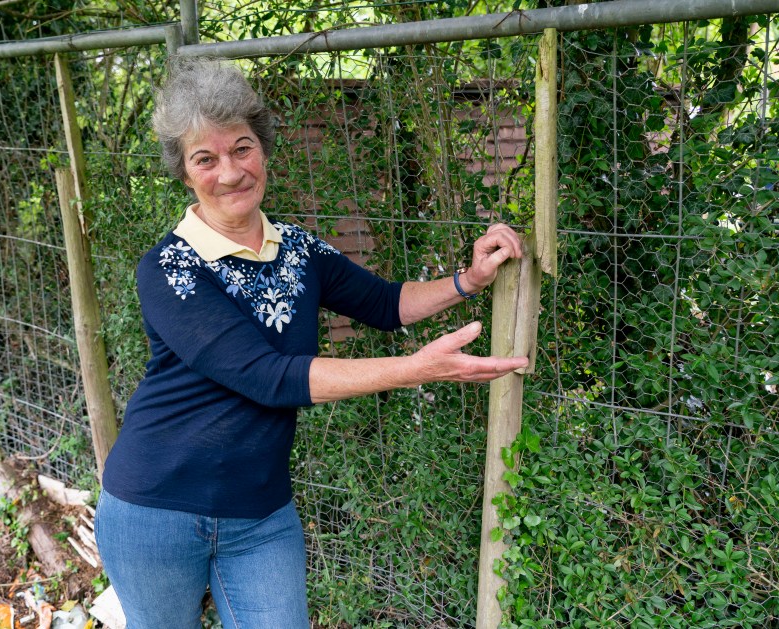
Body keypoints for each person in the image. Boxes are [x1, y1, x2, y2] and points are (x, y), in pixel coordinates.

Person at [94, 57, 529, 629]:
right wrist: (416, 369)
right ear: (184, 173)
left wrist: (467, 281)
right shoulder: (169, 269)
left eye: (242, 148)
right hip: (156, 511)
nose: (229, 173)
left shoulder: (298, 249)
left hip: (260, 514)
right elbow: (267, 377)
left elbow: (384, 303)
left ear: (265, 149)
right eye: (206, 158)